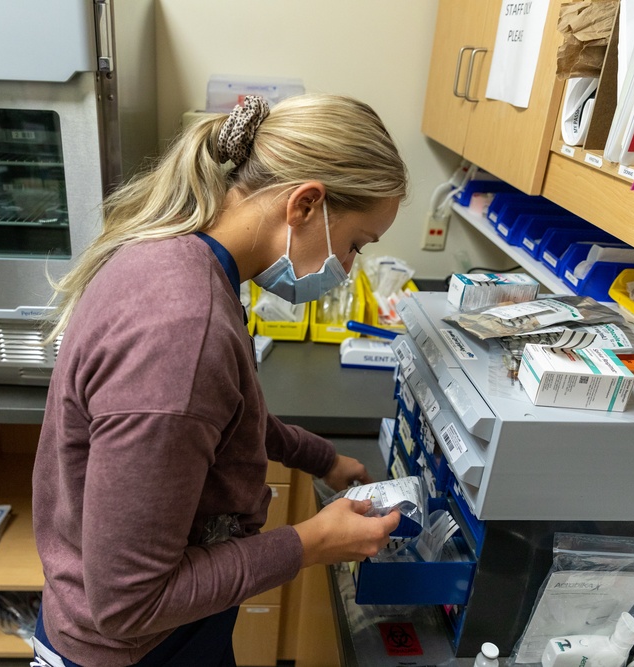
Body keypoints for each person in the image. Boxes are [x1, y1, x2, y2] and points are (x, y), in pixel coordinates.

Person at [32, 93, 409, 667]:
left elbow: (224, 414)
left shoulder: (178, 255)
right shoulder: (183, 332)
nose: (349, 267)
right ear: (306, 204)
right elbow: (129, 603)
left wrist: (320, 458)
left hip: (151, 626)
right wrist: (311, 542)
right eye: (356, 244)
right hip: (135, 647)